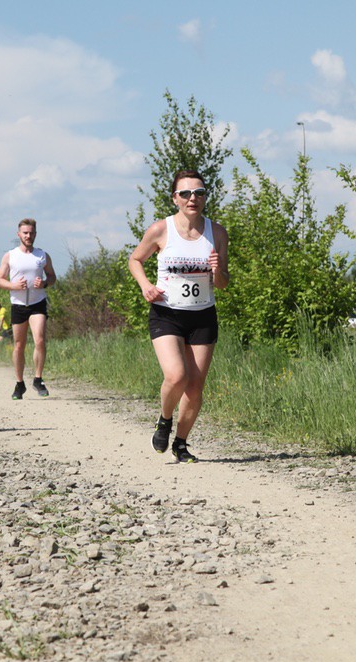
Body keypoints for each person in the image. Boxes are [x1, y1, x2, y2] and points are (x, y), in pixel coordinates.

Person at [128, 169, 229, 463]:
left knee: (195, 388)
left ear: (205, 197)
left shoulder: (217, 232)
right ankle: (164, 420)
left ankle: (181, 444)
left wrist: (217, 271)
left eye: (199, 192)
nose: (192, 198)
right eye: (185, 193)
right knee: (176, 375)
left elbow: (223, 283)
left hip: (202, 315)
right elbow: (135, 259)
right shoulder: (161, 230)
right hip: (167, 313)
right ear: (175, 199)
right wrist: (145, 285)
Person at [0, 218, 56, 399]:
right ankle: (19, 383)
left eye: (31, 233)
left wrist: (44, 283)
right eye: (25, 233)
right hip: (18, 305)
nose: (28, 236)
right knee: (19, 345)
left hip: (38, 303)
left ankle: (38, 379)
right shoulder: (10, 255)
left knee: (40, 340)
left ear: (35, 234)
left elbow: (52, 276)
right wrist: (13, 286)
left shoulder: (42, 255)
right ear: (19, 234)